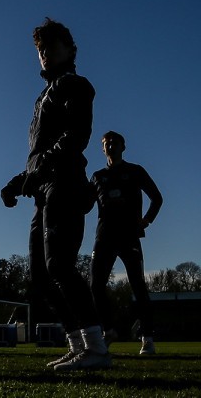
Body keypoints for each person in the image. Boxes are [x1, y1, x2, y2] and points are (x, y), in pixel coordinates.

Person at [0, 18, 108, 371]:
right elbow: (39, 154)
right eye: (40, 50)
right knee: (42, 275)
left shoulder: (75, 85)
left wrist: (43, 166)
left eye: (52, 46)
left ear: (71, 50)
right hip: (44, 188)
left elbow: (76, 137)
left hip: (65, 181)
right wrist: (18, 183)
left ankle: (96, 348)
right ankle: (78, 346)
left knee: (59, 264)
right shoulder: (42, 96)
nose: (45, 54)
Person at [89, 131, 162, 355]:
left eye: (114, 141)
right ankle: (108, 330)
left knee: (138, 285)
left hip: (129, 236)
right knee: (95, 285)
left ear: (123, 146)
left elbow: (157, 198)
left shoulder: (135, 171)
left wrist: (146, 220)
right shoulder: (97, 176)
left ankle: (147, 338)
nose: (110, 145)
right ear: (102, 149)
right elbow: (83, 204)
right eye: (105, 143)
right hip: (104, 237)